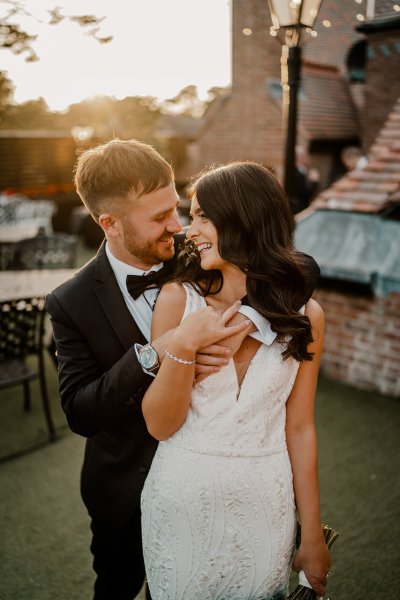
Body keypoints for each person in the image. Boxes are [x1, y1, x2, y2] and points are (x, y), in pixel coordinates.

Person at [45, 139, 258, 600]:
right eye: (159, 217)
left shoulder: (200, 254)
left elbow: (293, 264)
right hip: (125, 489)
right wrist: (159, 352)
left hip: (205, 481)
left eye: (175, 209)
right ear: (110, 225)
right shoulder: (70, 301)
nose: (177, 226)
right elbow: (81, 411)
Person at [141, 161, 332, 600]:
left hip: (266, 506)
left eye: (204, 215)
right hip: (180, 502)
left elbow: (300, 429)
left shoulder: (307, 317)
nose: (190, 230)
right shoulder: (177, 301)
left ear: (245, 219)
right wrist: (183, 347)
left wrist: (313, 535)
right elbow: (159, 425)